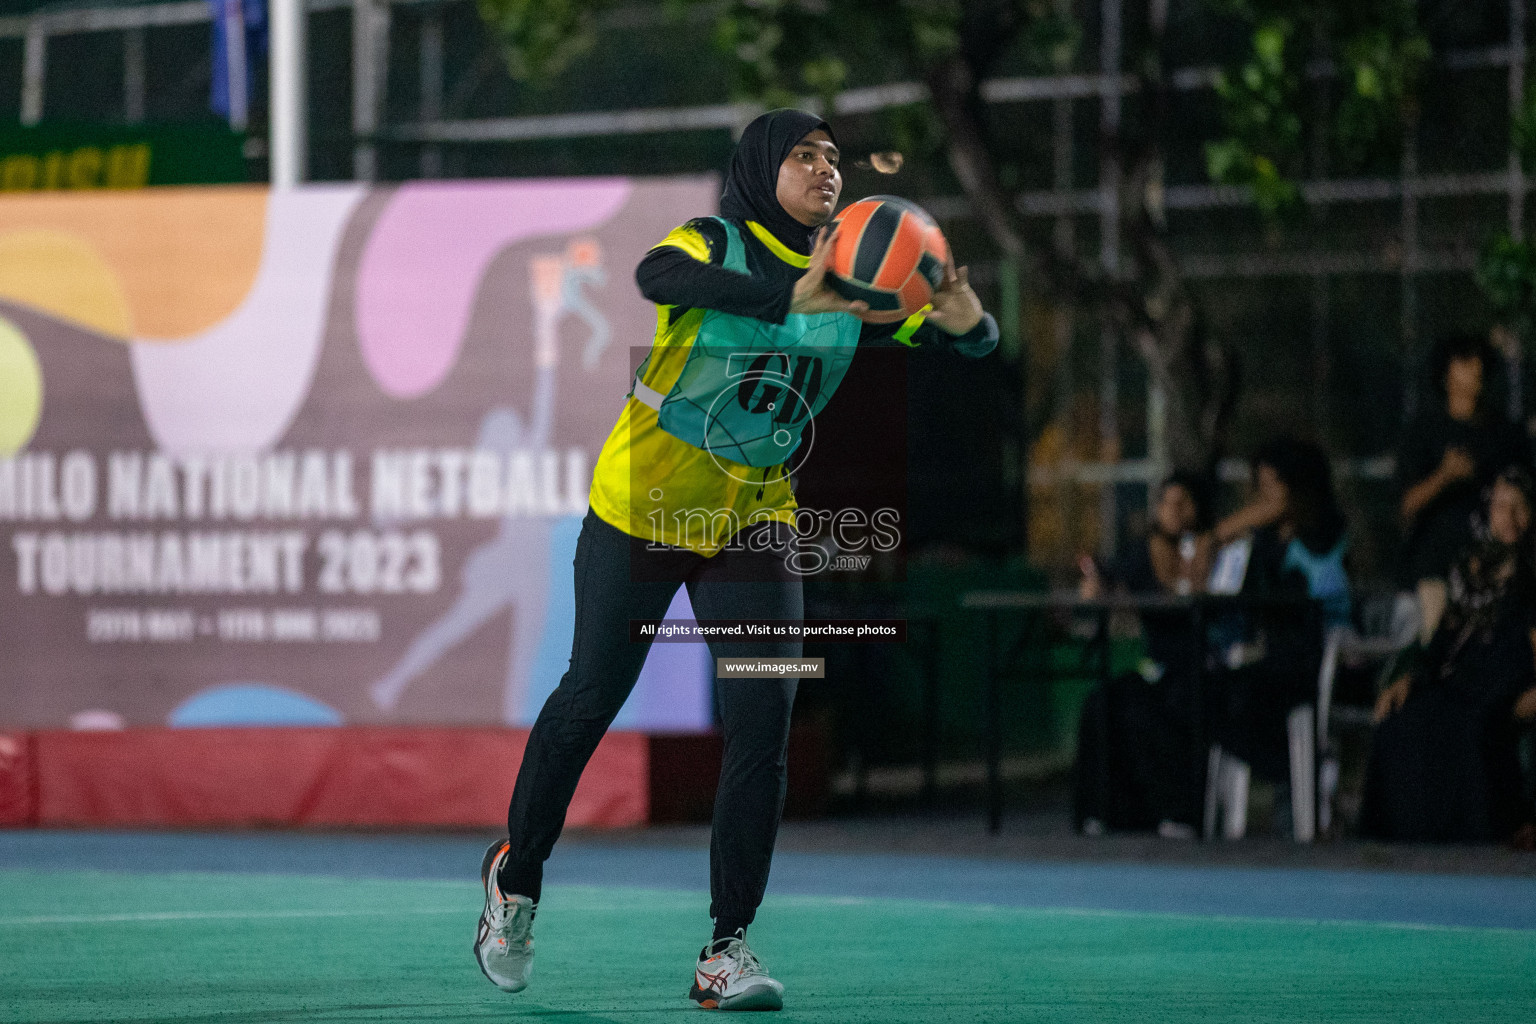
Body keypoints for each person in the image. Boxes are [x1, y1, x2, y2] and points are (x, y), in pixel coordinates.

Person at [472, 108, 999, 1011]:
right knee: (592, 696)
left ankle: (727, 949)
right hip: (643, 511)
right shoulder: (719, 240)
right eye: (804, 155)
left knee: (762, 723)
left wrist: (965, 310)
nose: (826, 169)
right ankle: (515, 881)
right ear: (763, 168)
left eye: (835, 158)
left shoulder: (861, 287)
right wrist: (782, 298)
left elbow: (973, 345)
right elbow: (652, 272)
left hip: (754, 526)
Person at [1361, 466, 1536, 844]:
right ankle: (1402, 836)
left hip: (1504, 680)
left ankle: (1475, 835)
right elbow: (1442, 638)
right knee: (1403, 719)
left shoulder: (1531, 574)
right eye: (1502, 507)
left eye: (1520, 507)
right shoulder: (1471, 566)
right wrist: (1408, 676)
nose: (1510, 518)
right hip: (1459, 677)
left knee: (1469, 726)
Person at [1073, 472, 1215, 837]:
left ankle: (1177, 812)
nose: (1173, 512)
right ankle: (1103, 812)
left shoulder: (1210, 548)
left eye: (1182, 503)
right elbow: (1107, 575)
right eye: (1166, 503)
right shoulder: (1143, 551)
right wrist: (1096, 584)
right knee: (1101, 703)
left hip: (1203, 666)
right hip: (1158, 667)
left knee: (1158, 709)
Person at [1207, 438, 1350, 793]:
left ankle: (1306, 778)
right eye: (1262, 488)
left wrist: (1239, 523)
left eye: (1274, 487)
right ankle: (1296, 775)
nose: (1265, 498)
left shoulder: (1325, 535)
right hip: (1280, 658)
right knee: (1210, 696)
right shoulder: (1268, 545)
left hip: (1326, 659)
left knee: (1239, 697)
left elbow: (1322, 592)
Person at [1398, 333, 1529, 634]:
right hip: (1438, 574)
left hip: (1497, 575)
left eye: (1480, 360)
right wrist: (1444, 477)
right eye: (1465, 361)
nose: (1476, 368)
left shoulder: (1508, 435)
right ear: (1445, 374)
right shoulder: (1424, 432)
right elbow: (1405, 507)